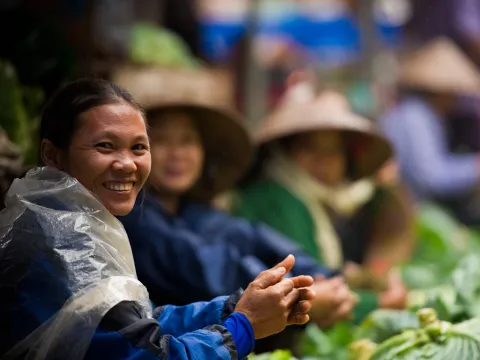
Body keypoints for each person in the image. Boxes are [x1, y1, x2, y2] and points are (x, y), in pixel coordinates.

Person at [0, 78, 316, 360]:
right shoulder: (61, 245)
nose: (126, 163)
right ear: (53, 155)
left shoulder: (85, 223)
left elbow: (137, 323)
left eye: (138, 147)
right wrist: (244, 324)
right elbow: (146, 352)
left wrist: (235, 306)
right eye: (105, 146)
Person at [118, 97, 357, 355]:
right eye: (162, 141)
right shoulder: (133, 217)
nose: (177, 153)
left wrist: (317, 276)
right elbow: (210, 268)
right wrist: (296, 292)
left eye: (187, 141)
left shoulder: (195, 213)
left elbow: (254, 238)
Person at [234, 86, 414, 322]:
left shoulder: (321, 200)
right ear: (287, 151)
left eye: (333, 151)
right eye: (311, 148)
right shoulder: (278, 199)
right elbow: (307, 289)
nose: (323, 160)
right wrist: (380, 304)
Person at [379, 37, 480, 226]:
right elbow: (430, 177)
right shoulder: (416, 117)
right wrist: (474, 167)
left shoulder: (420, 114)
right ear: (443, 92)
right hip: (407, 216)